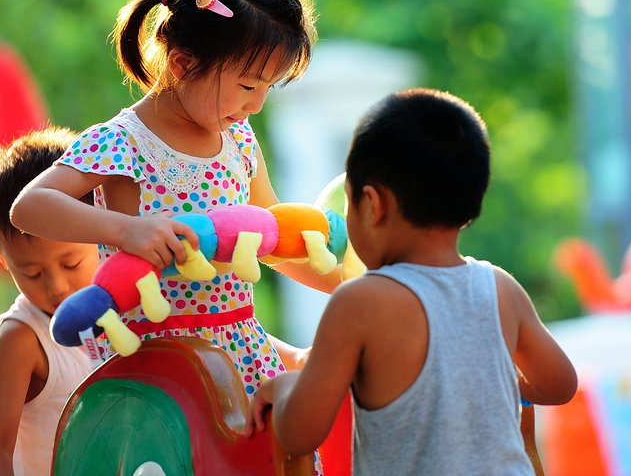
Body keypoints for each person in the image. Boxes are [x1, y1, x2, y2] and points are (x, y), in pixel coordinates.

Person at [10, 0, 340, 399]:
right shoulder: (123, 141)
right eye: (247, 85)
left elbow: (277, 241)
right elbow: (29, 207)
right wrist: (126, 230)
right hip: (152, 365)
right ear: (184, 62)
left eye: (268, 87)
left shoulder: (240, 141)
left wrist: (353, 286)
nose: (257, 105)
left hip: (239, 355)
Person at [246, 88, 578, 475]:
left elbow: (302, 434)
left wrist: (283, 388)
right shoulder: (500, 287)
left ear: (372, 204)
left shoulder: (360, 302)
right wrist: (481, 381)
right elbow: (560, 384)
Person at [0, 128, 100, 476]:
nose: (56, 286)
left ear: (99, 232)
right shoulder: (23, 337)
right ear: (3, 260)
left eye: (70, 263)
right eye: (30, 272)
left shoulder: (128, 307)